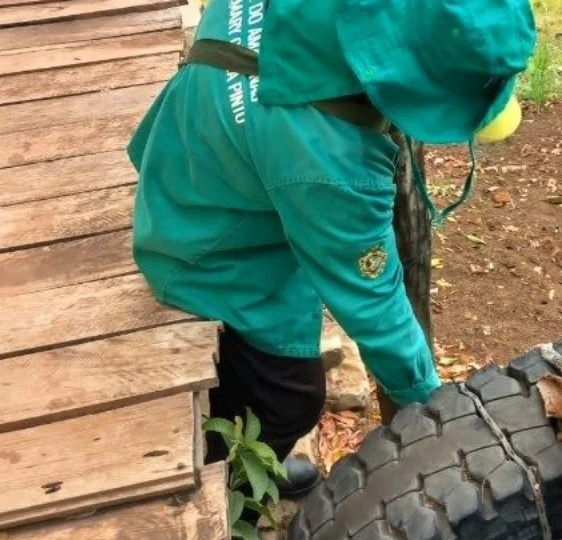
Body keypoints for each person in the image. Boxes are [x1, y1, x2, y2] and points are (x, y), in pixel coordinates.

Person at [125, 0, 536, 499]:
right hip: (207, 253)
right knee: (288, 398)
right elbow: (375, 306)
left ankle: (244, 457)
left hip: (184, 165)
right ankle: (233, 493)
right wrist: (436, 411)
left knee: (264, 380)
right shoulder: (332, 162)